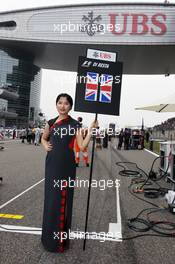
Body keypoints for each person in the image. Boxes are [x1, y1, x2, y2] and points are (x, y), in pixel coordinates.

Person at [41, 93, 98, 253]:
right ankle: (47, 239)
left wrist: (91, 130)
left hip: (67, 166)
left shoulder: (75, 125)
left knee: (63, 201)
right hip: (51, 165)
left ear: (70, 106)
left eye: (66, 103)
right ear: (56, 104)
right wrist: (45, 145)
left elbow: (82, 144)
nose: (62, 106)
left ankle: (59, 242)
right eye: (60, 102)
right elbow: (43, 138)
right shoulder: (50, 123)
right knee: (51, 200)